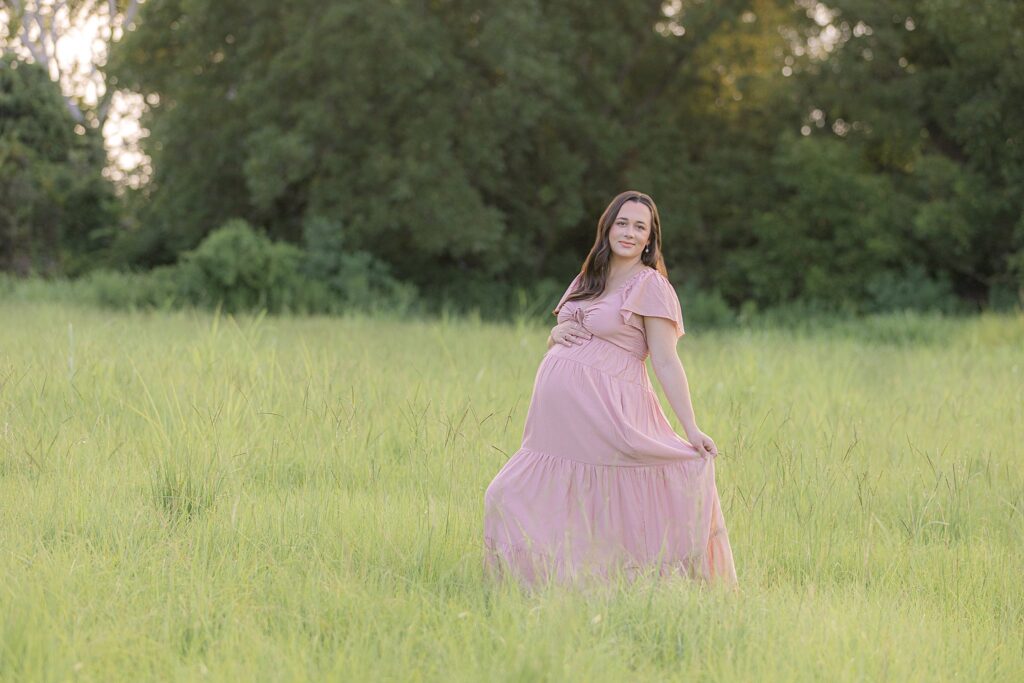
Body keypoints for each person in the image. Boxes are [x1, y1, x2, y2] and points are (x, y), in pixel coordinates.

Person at [483, 190, 738, 590]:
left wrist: (690, 428)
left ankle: (629, 591)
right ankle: (544, 592)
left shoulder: (650, 286)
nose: (630, 232)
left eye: (640, 227)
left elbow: (666, 361)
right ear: (608, 227)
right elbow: (567, 336)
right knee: (507, 495)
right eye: (623, 222)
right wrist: (553, 334)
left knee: (603, 506)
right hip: (554, 433)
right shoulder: (589, 278)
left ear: (651, 239)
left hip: (609, 415)